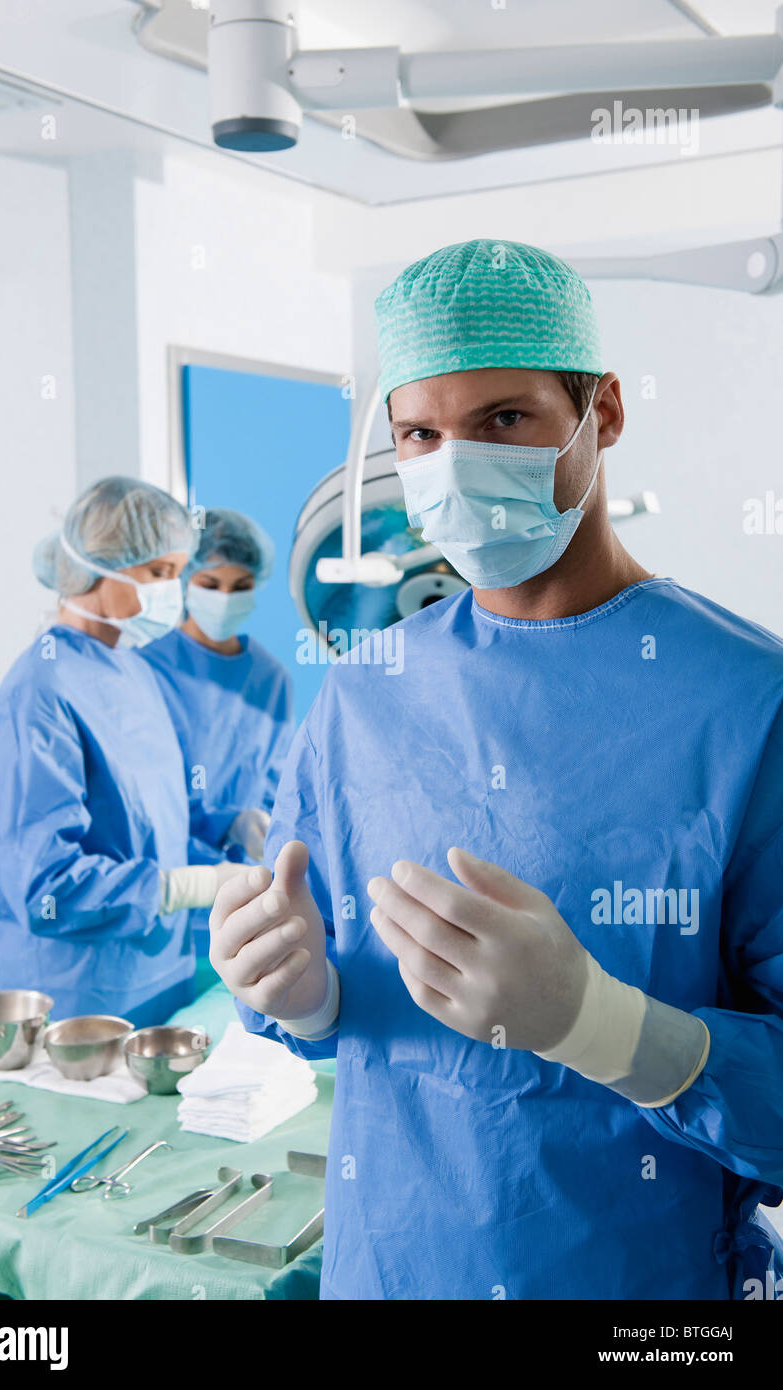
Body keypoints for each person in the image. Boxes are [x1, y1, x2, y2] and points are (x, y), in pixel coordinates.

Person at [209, 239, 783, 1300]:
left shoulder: (749, 703)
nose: (453, 466)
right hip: (390, 1267)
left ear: (601, 414)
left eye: (503, 423)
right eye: (419, 433)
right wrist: (302, 996)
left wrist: (600, 1025)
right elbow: (342, 996)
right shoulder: (364, 689)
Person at [0, 476, 238, 1027]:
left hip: (162, 976)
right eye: (158, 573)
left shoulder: (134, 671)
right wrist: (187, 886)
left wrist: (230, 839)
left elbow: (145, 827)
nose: (173, 591)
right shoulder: (39, 693)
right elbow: (44, 886)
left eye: (177, 573)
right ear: (98, 566)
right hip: (79, 1002)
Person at [140, 508, 294, 955]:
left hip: (243, 902)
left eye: (240, 587)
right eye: (210, 585)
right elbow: (141, 802)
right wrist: (216, 835)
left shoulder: (271, 679)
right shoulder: (145, 669)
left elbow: (278, 786)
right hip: (164, 893)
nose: (225, 598)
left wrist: (256, 827)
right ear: (185, 580)